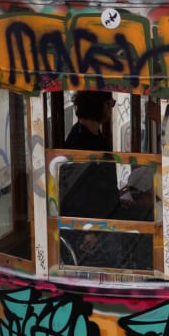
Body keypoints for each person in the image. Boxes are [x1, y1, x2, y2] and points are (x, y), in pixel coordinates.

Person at [60, 90, 122, 265]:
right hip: (92, 232)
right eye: (110, 104)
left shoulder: (94, 136)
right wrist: (88, 230)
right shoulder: (80, 142)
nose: (111, 109)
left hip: (103, 221)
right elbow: (74, 192)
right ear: (99, 105)